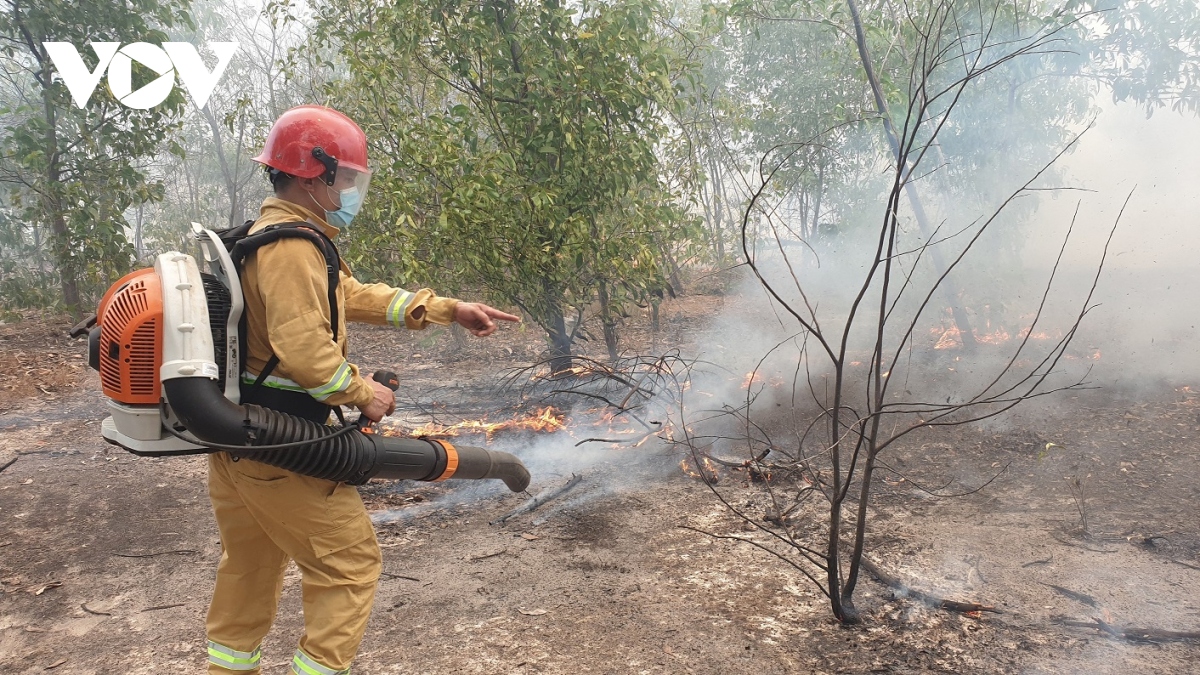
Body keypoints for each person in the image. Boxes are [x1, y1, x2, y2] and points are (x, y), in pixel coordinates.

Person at [204, 105, 519, 675]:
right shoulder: (292, 248)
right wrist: (361, 392)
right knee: (349, 566)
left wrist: (447, 309)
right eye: (345, 177)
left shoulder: (272, 237)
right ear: (311, 174)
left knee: (248, 568)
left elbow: (350, 294)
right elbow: (303, 350)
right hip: (285, 446)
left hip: (241, 444)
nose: (351, 188)